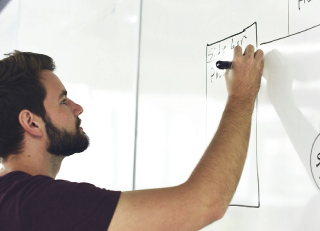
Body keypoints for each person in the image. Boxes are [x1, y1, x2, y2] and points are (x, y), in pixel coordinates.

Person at [0, 44, 264, 231]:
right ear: (31, 122)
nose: (77, 108)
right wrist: (241, 97)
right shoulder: (40, 204)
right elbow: (204, 204)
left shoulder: (12, 200)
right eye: (62, 100)